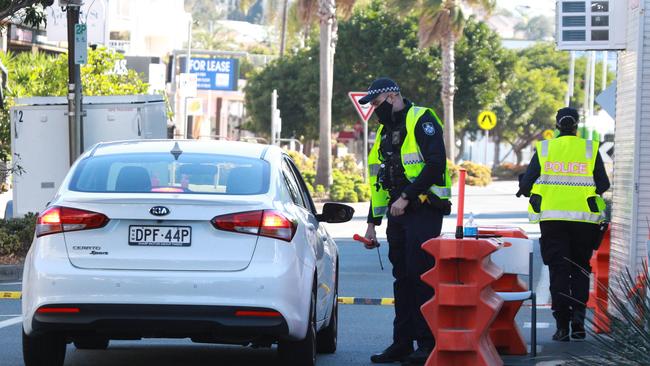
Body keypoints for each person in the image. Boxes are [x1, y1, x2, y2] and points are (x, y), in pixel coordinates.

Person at [360, 77, 451, 364]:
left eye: (375, 103)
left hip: (423, 208)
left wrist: (408, 196)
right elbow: (379, 182)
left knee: (420, 276)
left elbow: (436, 164)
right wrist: (372, 223)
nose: (374, 110)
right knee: (402, 279)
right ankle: (402, 343)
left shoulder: (421, 118)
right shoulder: (385, 133)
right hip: (398, 214)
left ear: (390, 96)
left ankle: (426, 344)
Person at [517, 107, 610, 342]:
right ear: (576, 125)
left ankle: (561, 327)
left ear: (556, 125)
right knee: (580, 269)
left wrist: (535, 190)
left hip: (552, 221)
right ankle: (578, 321)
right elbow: (603, 184)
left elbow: (527, 184)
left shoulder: (545, 148)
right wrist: (584, 194)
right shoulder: (589, 148)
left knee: (559, 271)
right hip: (583, 221)